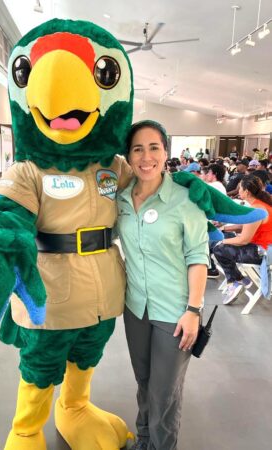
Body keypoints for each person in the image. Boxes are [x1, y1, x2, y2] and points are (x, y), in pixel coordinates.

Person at [116, 120, 209, 450]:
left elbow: (198, 256)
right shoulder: (122, 200)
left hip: (175, 313)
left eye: (153, 147)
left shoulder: (185, 200)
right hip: (135, 307)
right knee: (144, 383)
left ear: (165, 152)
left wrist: (193, 310)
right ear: (128, 155)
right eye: (137, 149)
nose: (146, 157)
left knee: (164, 393)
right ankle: (144, 441)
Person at [213, 174, 272, 305]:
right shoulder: (260, 205)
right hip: (262, 248)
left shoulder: (256, 209)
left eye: (240, 188)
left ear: (246, 191)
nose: (238, 190)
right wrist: (223, 229)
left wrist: (222, 241)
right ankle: (240, 279)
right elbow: (243, 225)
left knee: (218, 248)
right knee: (223, 239)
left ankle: (234, 282)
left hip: (262, 252)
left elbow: (243, 240)